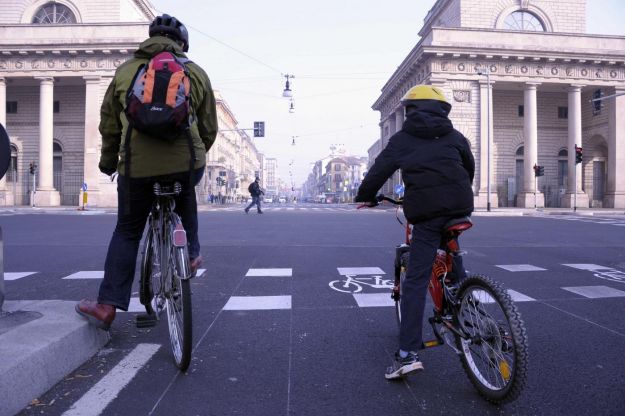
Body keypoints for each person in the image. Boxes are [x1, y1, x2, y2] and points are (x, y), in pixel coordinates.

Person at [75, 14, 218, 330]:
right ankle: (191, 254)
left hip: (136, 167)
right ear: (182, 44)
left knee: (127, 231)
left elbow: (109, 126)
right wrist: (196, 156)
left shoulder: (126, 72)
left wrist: (109, 162)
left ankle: (106, 306)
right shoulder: (196, 73)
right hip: (184, 164)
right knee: (185, 193)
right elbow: (209, 128)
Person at [355, 84, 474, 380]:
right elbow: (468, 166)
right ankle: (466, 304)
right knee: (451, 247)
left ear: (410, 110)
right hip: (459, 204)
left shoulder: (404, 138)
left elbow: (379, 170)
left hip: (427, 211)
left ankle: (407, 354)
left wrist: (366, 195)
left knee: (416, 281)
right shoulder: (455, 135)